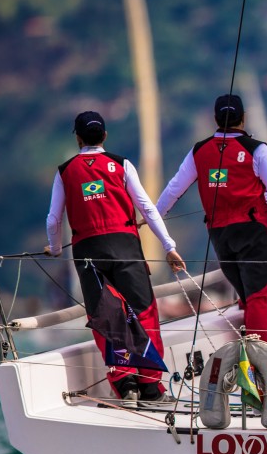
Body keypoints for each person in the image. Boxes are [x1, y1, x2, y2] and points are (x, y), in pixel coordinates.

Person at [45, 111, 186, 406]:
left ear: (78, 138)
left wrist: (55, 248)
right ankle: (150, 387)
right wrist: (169, 246)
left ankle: (124, 386)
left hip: (87, 252)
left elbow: (53, 219)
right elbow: (147, 208)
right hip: (125, 246)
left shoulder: (65, 170)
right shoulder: (121, 164)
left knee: (106, 316)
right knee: (144, 311)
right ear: (105, 137)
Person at [156, 94, 267, 346]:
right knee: (261, 295)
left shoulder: (199, 151)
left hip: (219, 234)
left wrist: (152, 217)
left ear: (215, 118)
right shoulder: (257, 149)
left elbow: (173, 190)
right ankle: (266, 365)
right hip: (253, 230)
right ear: (243, 118)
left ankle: (250, 361)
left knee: (247, 295)